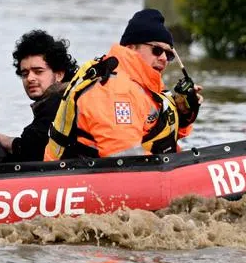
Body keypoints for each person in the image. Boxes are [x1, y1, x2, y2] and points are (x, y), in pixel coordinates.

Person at [44, 9, 203, 160]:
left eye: (168, 54)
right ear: (131, 47)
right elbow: (125, 158)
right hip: (77, 174)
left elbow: (154, 131)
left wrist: (183, 114)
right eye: (156, 50)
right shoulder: (115, 90)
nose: (163, 58)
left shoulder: (143, 82)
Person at [0, 30, 78, 163]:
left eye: (38, 71)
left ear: (59, 74)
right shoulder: (65, 97)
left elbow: (29, 148)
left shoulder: (59, 102)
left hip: (68, 170)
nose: (30, 78)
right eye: (25, 73)